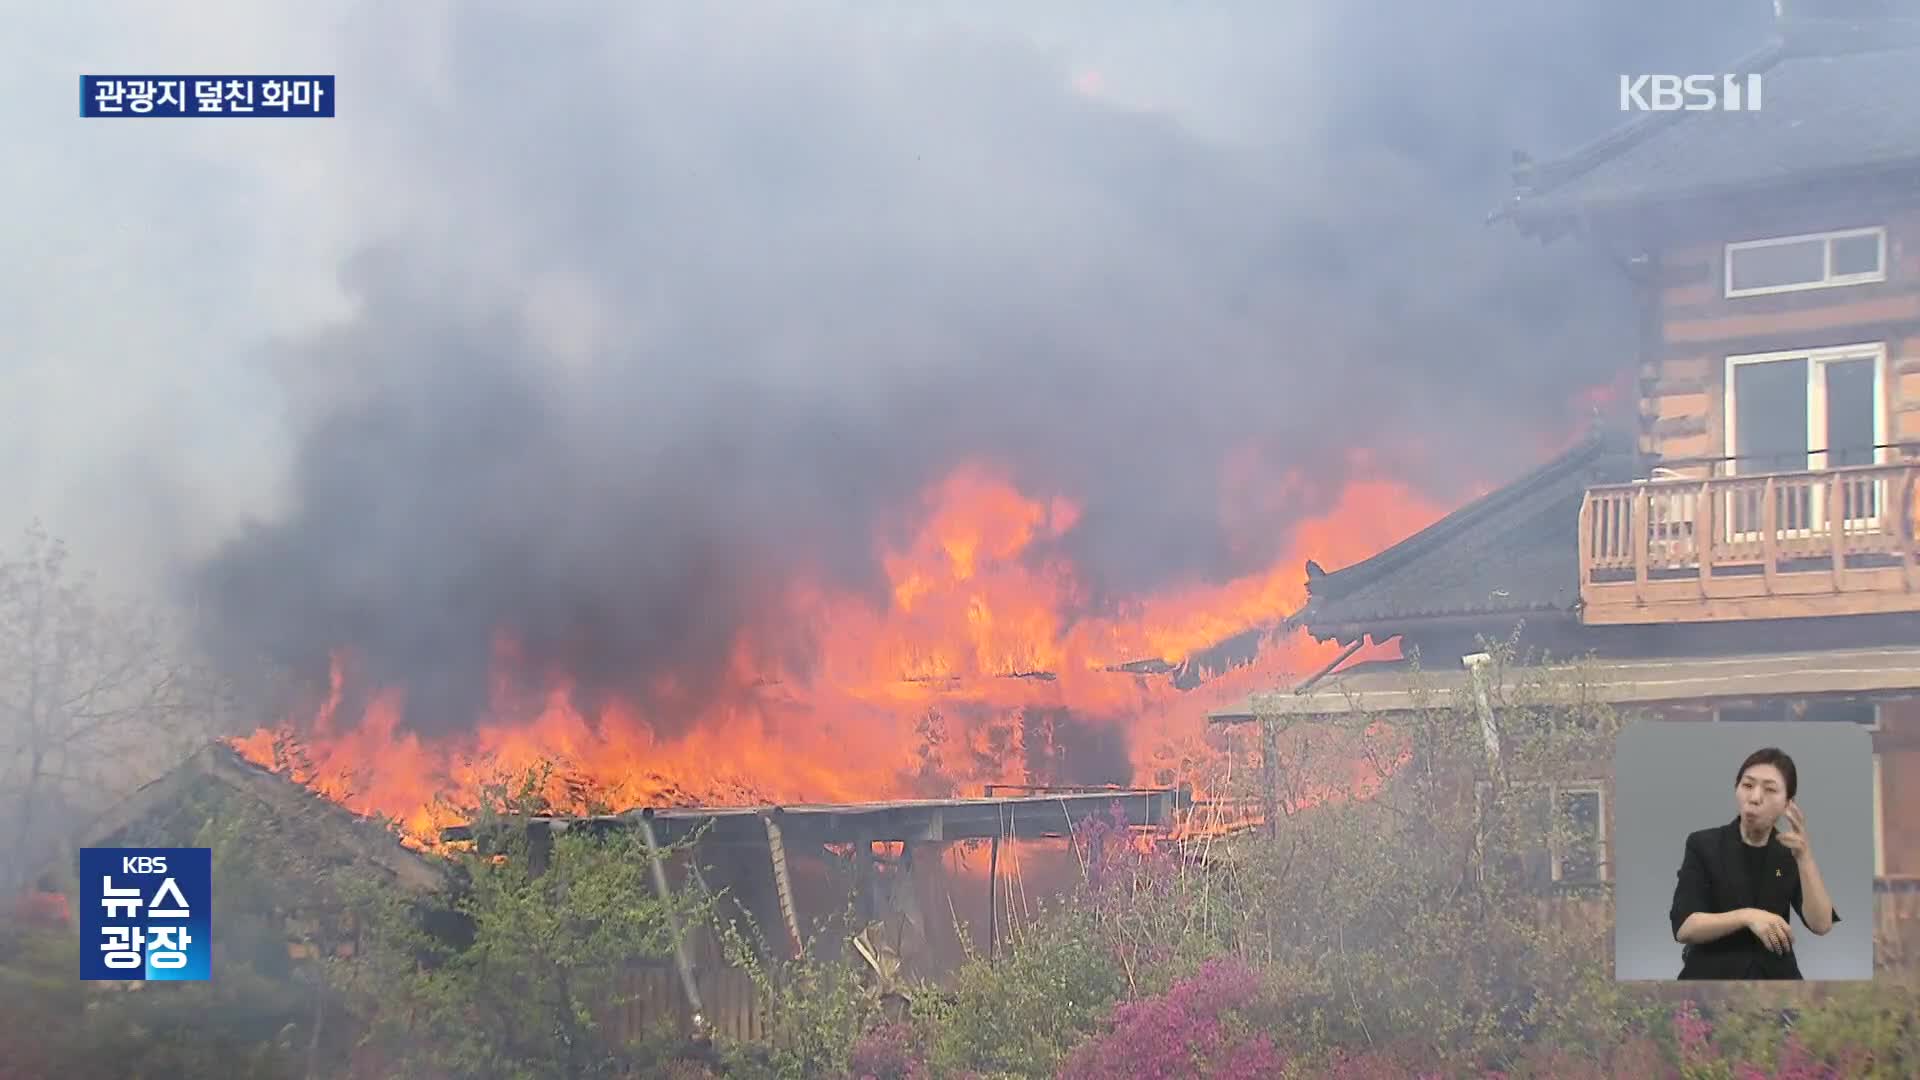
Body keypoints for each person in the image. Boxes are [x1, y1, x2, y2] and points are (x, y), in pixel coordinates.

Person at [1668, 747, 1840, 979]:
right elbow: (1685, 928)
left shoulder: (1789, 852)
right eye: (1747, 786)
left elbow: (1821, 924)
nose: (1755, 798)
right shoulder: (1704, 844)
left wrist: (1805, 859)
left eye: (1770, 790)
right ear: (1736, 789)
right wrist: (1748, 916)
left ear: (1788, 803)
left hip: (1777, 981)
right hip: (1711, 978)